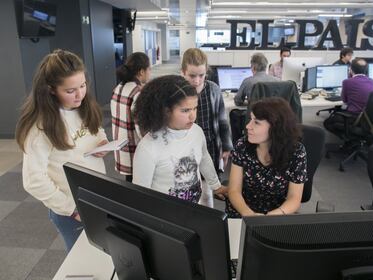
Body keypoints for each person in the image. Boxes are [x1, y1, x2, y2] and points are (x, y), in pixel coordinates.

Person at [15, 49, 109, 251]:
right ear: (50, 89)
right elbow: (33, 181)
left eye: (83, 86)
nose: (80, 94)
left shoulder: (80, 106)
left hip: (95, 197)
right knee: (81, 263)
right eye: (70, 90)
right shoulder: (40, 128)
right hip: (72, 208)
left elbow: (96, 130)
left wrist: (102, 142)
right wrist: (72, 209)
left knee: (103, 256)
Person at [132, 75, 227, 204]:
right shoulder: (147, 148)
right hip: (166, 219)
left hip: (194, 211)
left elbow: (204, 158)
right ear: (166, 111)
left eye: (195, 108)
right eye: (185, 110)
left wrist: (216, 185)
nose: (193, 116)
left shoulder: (196, 132)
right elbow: (140, 196)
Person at [226, 98, 307, 217]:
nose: (248, 126)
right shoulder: (242, 145)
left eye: (257, 122)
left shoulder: (296, 152)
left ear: (276, 127)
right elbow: (234, 190)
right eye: (250, 119)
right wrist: (248, 214)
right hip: (242, 210)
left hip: (278, 214)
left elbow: (294, 198)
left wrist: (268, 218)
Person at [181, 48, 233, 207]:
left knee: (207, 191)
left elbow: (222, 119)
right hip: (185, 149)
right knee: (188, 190)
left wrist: (226, 146)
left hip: (210, 145)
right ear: (182, 71)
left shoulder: (213, 89)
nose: (197, 80)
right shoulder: (176, 91)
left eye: (201, 75)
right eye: (192, 75)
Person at [111, 52, 151, 182]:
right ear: (141, 72)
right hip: (135, 150)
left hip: (122, 148)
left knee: (130, 185)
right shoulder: (138, 92)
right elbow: (141, 128)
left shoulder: (118, 87)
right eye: (149, 69)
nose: (150, 72)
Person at [324, 58, 373, 137]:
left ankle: (347, 138)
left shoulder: (347, 82)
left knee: (327, 122)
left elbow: (344, 100)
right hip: (368, 119)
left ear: (350, 69)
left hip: (353, 117)